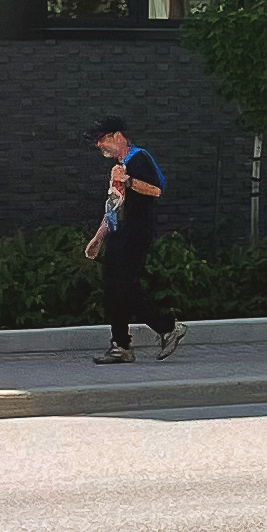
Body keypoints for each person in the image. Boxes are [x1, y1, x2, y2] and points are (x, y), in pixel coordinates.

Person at [85, 117, 182, 364]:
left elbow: (157, 190)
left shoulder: (139, 158)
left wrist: (128, 180)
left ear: (118, 136)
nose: (100, 145)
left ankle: (167, 327)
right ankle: (121, 345)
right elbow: (114, 206)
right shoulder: (120, 165)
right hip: (118, 235)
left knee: (124, 287)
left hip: (136, 233)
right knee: (112, 288)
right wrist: (98, 237)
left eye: (103, 139)